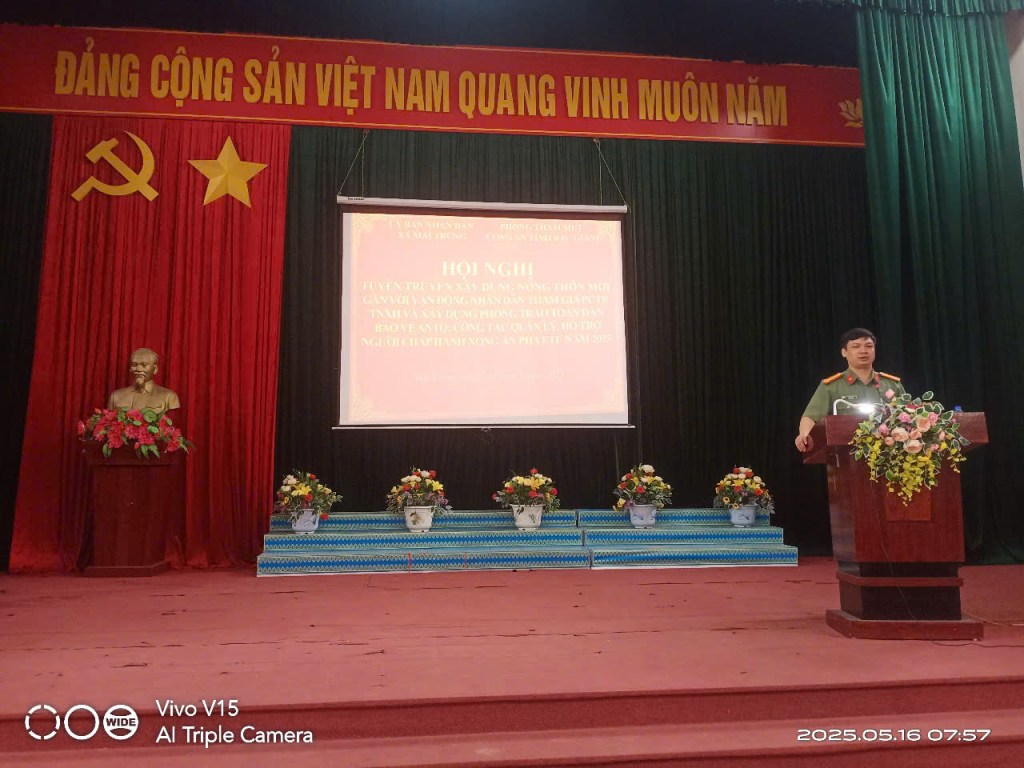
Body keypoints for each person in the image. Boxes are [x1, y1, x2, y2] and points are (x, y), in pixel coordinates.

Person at [794, 328, 906, 452]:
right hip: (846, 455)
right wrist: (804, 436)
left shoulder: (892, 384)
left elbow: (908, 417)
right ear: (844, 352)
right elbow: (810, 417)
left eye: (869, 346)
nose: (863, 351)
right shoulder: (831, 386)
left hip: (890, 454)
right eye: (856, 346)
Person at [107, 347, 181, 414]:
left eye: (144, 365)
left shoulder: (169, 397)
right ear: (130, 369)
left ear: (155, 369)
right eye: (134, 364)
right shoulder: (115, 397)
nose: (138, 369)